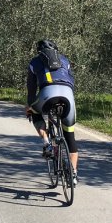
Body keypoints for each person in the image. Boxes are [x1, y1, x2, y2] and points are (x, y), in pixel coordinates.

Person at [25, 39, 79, 184]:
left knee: (34, 112)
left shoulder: (34, 62)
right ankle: (73, 174)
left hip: (47, 94)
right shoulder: (64, 60)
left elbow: (31, 90)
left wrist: (29, 107)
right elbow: (72, 81)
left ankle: (47, 143)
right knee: (70, 134)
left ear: (39, 51)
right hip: (68, 95)